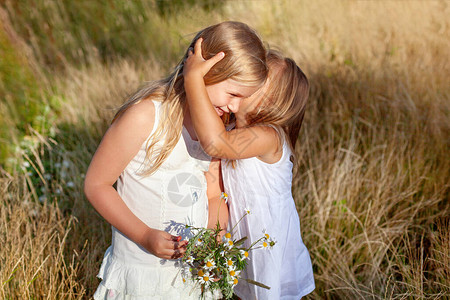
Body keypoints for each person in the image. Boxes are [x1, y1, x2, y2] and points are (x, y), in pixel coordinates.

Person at [83, 21, 267, 299]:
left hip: (189, 280)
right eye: (233, 94)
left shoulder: (217, 132)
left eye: (244, 100)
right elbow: (96, 184)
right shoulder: (145, 116)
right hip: (143, 274)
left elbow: (214, 195)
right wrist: (145, 235)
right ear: (204, 72)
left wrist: (213, 244)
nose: (235, 107)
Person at [183, 39, 315, 299]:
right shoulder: (230, 131)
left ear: (272, 102)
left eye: (258, 80)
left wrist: (194, 80)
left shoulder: (270, 137)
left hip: (271, 249)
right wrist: (215, 241)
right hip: (242, 243)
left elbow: (215, 144)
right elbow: (214, 187)